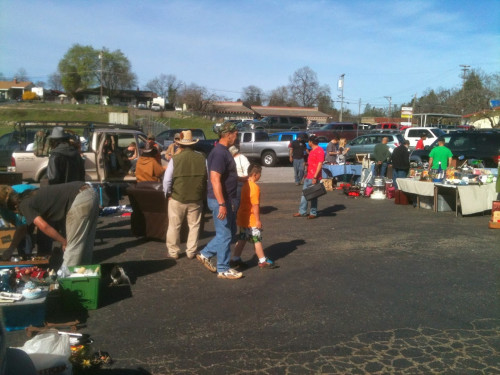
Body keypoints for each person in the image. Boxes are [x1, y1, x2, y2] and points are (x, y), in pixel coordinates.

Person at [0, 181, 99, 267]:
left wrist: (64, 241)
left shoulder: (24, 205)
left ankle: (66, 285)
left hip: (78, 198)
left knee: (71, 250)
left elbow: (44, 226)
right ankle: (86, 279)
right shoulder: (28, 194)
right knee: (84, 247)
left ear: (14, 207)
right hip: (89, 192)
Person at [196, 122, 242, 279]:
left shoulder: (223, 151)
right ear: (228, 134)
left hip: (226, 199)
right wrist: (222, 203)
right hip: (220, 201)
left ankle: (205, 254)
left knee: (228, 233)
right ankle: (223, 268)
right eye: (235, 133)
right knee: (225, 235)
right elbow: (215, 179)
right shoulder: (219, 153)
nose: (237, 136)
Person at [163, 130, 207, 260]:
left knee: (174, 225)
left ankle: (173, 252)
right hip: (196, 198)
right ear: (193, 144)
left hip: (177, 197)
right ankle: (191, 251)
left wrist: (168, 193)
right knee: (194, 225)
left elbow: (167, 180)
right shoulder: (202, 158)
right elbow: (207, 177)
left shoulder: (175, 159)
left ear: (180, 145)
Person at [230, 164, 278, 270]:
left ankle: (235, 258)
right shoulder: (255, 188)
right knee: (257, 239)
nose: (260, 176)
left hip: (242, 216)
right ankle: (262, 260)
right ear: (255, 175)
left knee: (242, 238)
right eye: (260, 174)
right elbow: (255, 205)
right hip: (251, 218)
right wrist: (258, 220)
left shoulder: (245, 184)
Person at [293, 135, 325, 219]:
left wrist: (315, 177)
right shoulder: (312, 151)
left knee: (313, 195)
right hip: (308, 176)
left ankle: (313, 213)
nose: (308, 143)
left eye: (309, 141)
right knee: (304, 194)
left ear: (311, 142)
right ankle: (302, 211)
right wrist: (307, 164)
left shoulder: (320, 150)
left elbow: (320, 164)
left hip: (314, 176)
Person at [229, 145, 250, 238]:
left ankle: (236, 221)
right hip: (236, 181)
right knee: (236, 202)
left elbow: (247, 172)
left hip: (240, 181)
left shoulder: (242, 158)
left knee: (237, 202)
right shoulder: (238, 158)